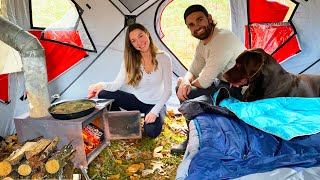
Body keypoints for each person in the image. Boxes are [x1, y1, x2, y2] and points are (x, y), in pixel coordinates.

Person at [171, 4, 246, 155]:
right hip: (223, 85)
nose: (196, 27)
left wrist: (184, 84)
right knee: (183, 90)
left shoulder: (223, 38)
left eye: (200, 20)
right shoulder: (202, 44)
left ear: (209, 18)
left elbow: (204, 81)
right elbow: (193, 70)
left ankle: (205, 138)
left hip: (241, 91)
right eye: (191, 25)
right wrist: (185, 81)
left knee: (189, 95)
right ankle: (193, 138)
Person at [87, 23, 172, 139]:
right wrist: (100, 85)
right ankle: (123, 123)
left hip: (155, 103)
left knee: (151, 131)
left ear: (147, 33)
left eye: (141, 36)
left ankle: (144, 119)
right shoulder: (129, 60)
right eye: (133, 40)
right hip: (137, 100)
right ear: (131, 44)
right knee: (103, 93)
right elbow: (116, 85)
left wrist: (155, 112)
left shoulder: (164, 58)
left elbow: (168, 91)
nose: (139, 42)